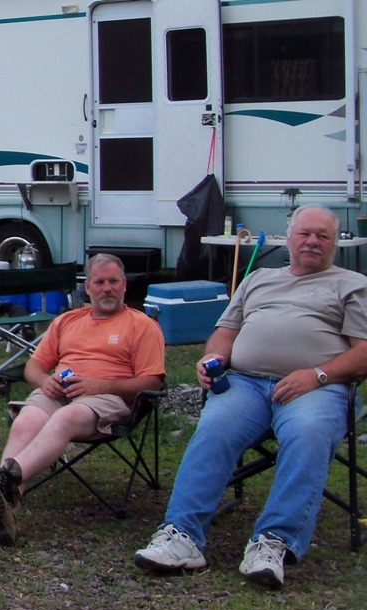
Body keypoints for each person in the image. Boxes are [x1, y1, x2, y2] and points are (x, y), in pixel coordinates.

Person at [134, 205, 367, 588]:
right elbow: (226, 330)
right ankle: (182, 536)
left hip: (317, 387)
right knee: (214, 427)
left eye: (322, 236)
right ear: (288, 237)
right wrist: (213, 356)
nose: (312, 242)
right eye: (304, 233)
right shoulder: (258, 278)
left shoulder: (351, 284)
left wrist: (317, 374)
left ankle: (274, 541)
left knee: (308, 434)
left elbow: (363, 352)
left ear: (334, 244)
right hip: (247, 383)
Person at [0, 253, 166, 545]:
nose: (107, 288)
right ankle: (6, 508)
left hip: (109, 398)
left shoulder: (141, 325)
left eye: (113, 281)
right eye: (100, 282)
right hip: (60, 392)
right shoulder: (67, 321)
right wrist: (46, 382)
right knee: (27, 419)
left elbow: (153, 380)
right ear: (87, 288)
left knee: (65, 418)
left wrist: (97, 385)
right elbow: (33, 368)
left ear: (124, 285)